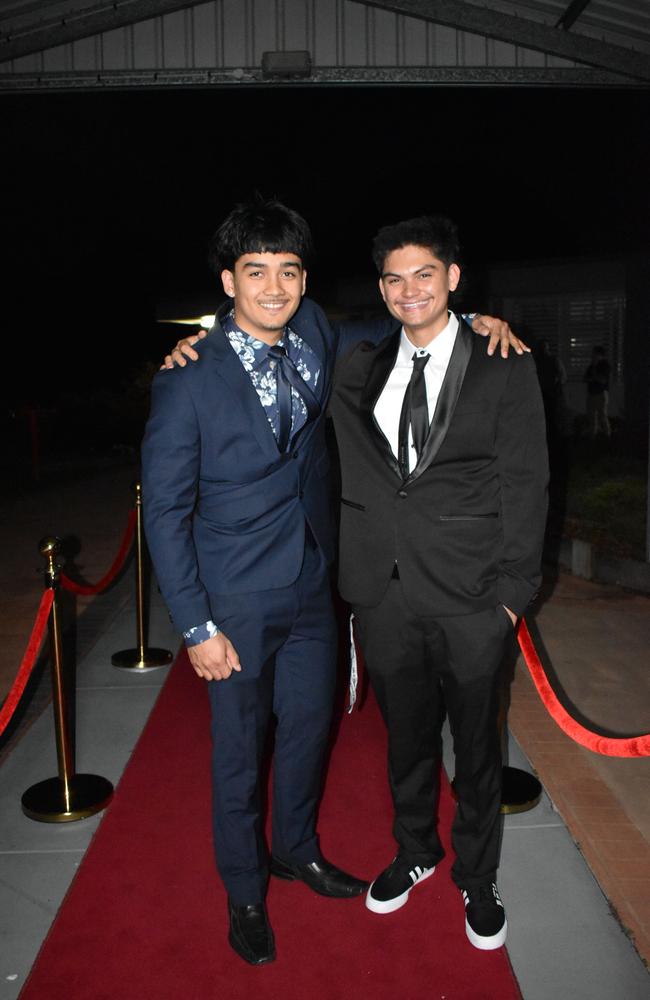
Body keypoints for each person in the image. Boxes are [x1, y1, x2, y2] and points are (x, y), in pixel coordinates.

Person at [148, 199, 528, 965]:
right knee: (238, 751)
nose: (274, 287)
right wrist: (195, 626)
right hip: (234, 604)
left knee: (309, 734)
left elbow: (413, 320)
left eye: (288, 271)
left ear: (304, 280)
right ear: (229, 281)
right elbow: (164, 509)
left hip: (318, 589)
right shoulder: (187, 379)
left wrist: (482, 318)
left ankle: (296, 849)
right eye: (255, 272)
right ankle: (247, 892)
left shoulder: (320, 333)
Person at [330, 216, 548, 950]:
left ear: (454, 277)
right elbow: (273, 334)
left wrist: (514, 593)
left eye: (425, 273)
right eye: (394, 277)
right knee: (407, 743)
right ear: (381, 289)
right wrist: (191, 342)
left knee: (478, 750)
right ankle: (416, 849)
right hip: (383, 594)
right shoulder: (357, 365)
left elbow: (527, 481)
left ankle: (476, 875)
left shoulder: (504, 361)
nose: (409, 289)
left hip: (474, 597)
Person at [584, 345, 611, 438]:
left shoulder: (605, 365)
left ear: (599, 354)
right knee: (591, 416)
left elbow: (602, 380)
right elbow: (585, 378)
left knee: (602, 415)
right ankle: (593, 435)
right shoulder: (591, 365)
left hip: (600, 394)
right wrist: (593, 377)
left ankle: (607, 435)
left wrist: (594, 377)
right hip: (591, 393)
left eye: (594, 353)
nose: (592, 355)